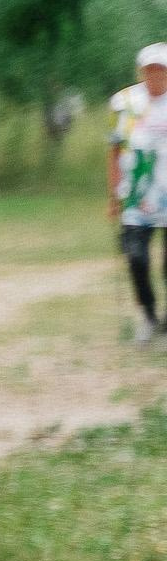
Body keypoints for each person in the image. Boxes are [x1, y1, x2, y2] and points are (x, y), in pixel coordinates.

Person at [109, 43, 167, 340]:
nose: (155, 75)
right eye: (149, 70)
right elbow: (115, 149)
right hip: (135, 195)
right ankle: (148, 314)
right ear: (141, 72)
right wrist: (113, 195)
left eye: (160, 70)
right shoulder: (127, 103)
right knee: (136, 258)